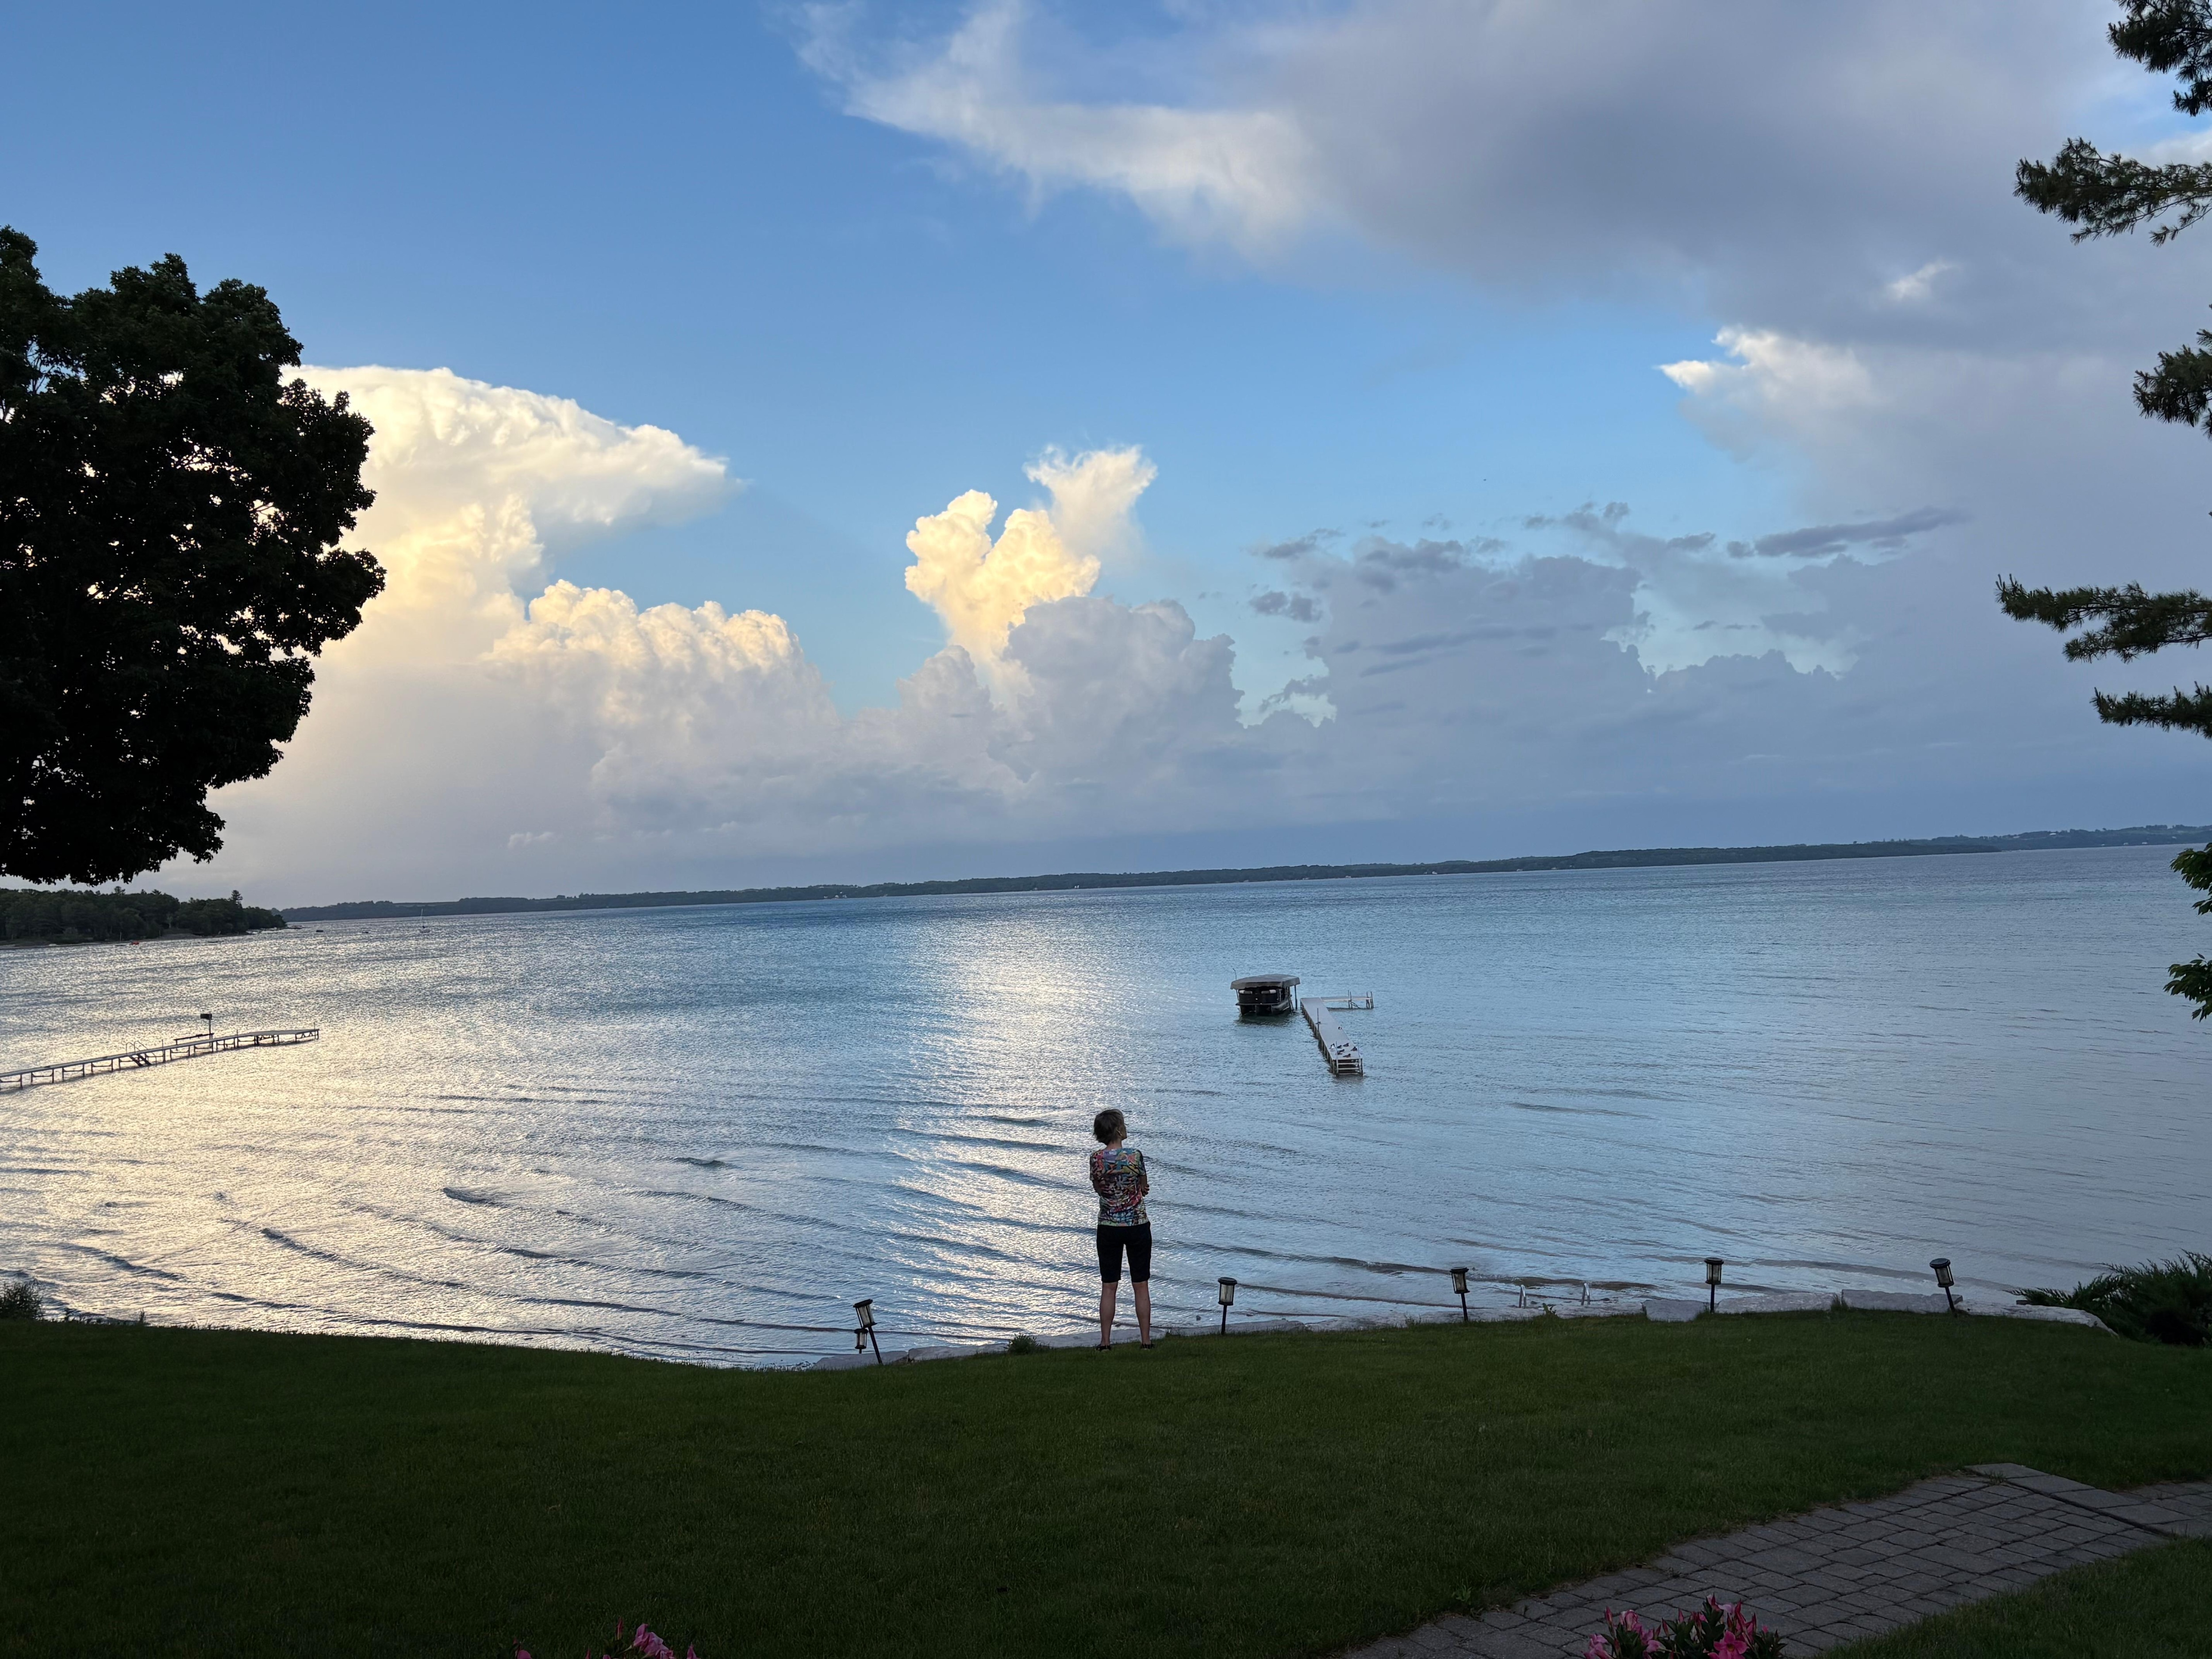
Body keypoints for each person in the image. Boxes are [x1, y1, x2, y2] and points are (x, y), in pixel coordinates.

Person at [1089, 1107, 1152, 1349]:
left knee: (1109, 1285)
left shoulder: (1096, 1159)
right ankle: (1146, 1342)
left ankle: (1105, 1343)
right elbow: (1144, 1186)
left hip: (1108, 1227)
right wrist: (1138, 1191)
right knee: (1141, 1284)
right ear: (1118, 1130)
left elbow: (1099, 1189)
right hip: (1137, 1225)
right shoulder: (1135, 1156)